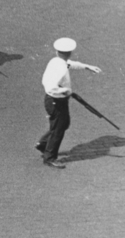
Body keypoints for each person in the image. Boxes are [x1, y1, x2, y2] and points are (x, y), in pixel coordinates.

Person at [36, 38, 102, 169]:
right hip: (56, 101)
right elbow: (50, 87)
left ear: (57, 51)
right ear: (70, 52)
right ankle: (49, 158)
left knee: (63, 124)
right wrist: (66, 90)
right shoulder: (60, 67)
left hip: (54, 101)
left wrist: (86, 66)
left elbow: (70, 64)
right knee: (59, 129)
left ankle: (43, 144)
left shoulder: (56, 61)